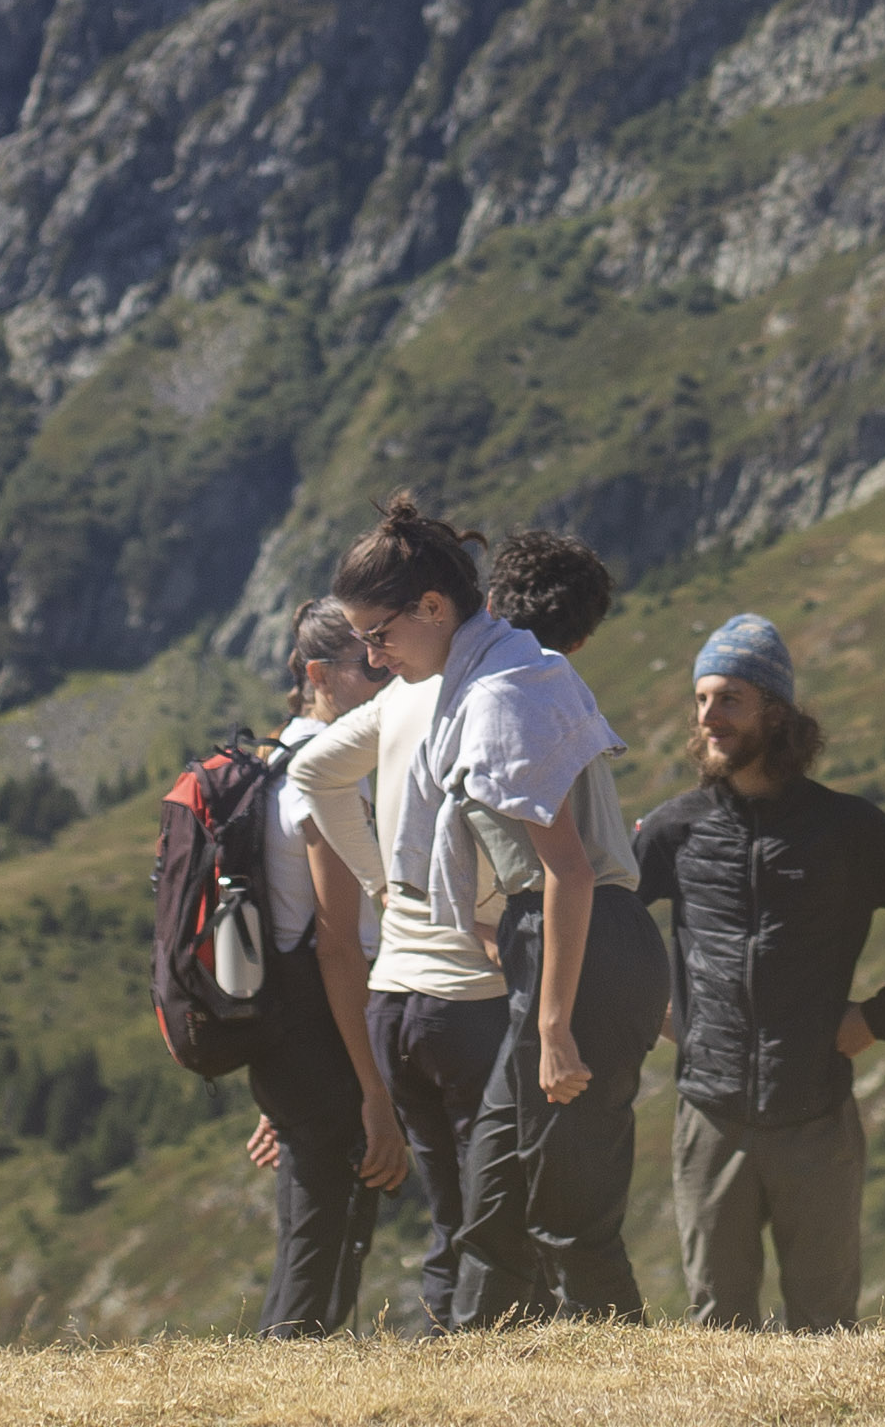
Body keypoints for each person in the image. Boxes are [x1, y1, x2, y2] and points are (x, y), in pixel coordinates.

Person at [633, 611, 885, 1331]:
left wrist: (877, 1019)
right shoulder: (674, 829)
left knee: (826, 1329)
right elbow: (600, 921)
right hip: (710, 1116)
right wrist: (653, 1011)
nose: (710, 717)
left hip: (816, 1117)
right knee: (718, 1329)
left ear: (776, 712)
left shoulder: (847, 829)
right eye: (701, 700)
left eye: (729, 699)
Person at [303, 492, 549, 1331]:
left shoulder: (402, 699)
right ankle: (492, 1365)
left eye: (378, 637)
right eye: (366, 643)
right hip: (469, 997)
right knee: (500, 1214)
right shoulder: (485, 689)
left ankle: (451, 1355)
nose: (374, 660)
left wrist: (381, 883)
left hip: (394, 1004)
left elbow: (313, 774)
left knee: (453, 1214)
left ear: (433, 608)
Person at [456, 526, 663, 1323]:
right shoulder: (547, 683)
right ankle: (474, 1364)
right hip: (583, 937)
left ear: (490, 603)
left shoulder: (509, 691)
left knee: (568, 1212)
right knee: (498, 1190)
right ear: (581, 636)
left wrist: (552, 1022)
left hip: (568, 938)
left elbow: (565, 872)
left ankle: (630, 1372)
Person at [234, 604, 410, 1336]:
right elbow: (337, 945)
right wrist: (376, 1092)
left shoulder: (274, 763)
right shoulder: (326, 778)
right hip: (332, 1027)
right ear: (319, 676)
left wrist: (282, 1089)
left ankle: (287, 1374)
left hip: (290, 1030)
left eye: (386, 657)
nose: (386, 675)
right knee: (323, 1241)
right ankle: (285, 1378)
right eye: (369, 665)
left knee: (314, 1232)